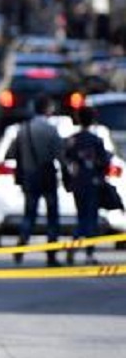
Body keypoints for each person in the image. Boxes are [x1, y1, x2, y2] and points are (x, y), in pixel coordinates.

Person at [8, 95, 64, 266]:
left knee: (29, 214)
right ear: (48, 109)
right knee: (52, 216)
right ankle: (51, 254)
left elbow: (11, 153)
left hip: (29, 176)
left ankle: (21, 245)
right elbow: (60, 155)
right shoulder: (51, 130)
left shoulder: (23, 130)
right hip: (47, 175)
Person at [63, 107, 111, 265]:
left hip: (77, 183)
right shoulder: (96, 140)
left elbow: (66, 160)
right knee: (91, 219)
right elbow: (104, 163)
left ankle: (74, 243)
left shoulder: (72, 140)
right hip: (92, 183)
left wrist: (69, 180)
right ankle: (88, 253)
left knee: (81, 216)